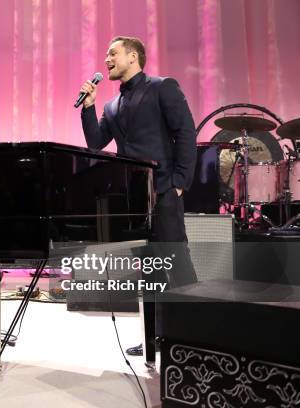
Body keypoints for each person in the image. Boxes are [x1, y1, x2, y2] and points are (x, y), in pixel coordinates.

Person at [79, 36, 197, 357]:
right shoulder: (111, 105)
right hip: (134, 200)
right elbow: (95, 143)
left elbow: (185, 131)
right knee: (149, 270)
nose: (106, 59)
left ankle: (193, 338)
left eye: (112, 52)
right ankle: (155, 336)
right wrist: (88, 107)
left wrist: (179, 182)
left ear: (133, 57)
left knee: (177, 265)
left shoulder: (162, 87)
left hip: (163, 190)